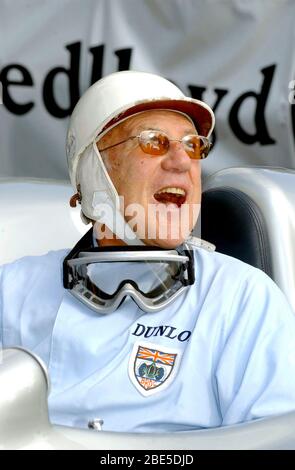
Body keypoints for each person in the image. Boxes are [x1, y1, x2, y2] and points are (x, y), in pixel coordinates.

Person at [1, 71, 295, 433]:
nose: (182, 161)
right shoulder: (12, 288)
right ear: (95, 171)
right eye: (153, 142)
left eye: (193, 146)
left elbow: (273, 440)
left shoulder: (242, 296)